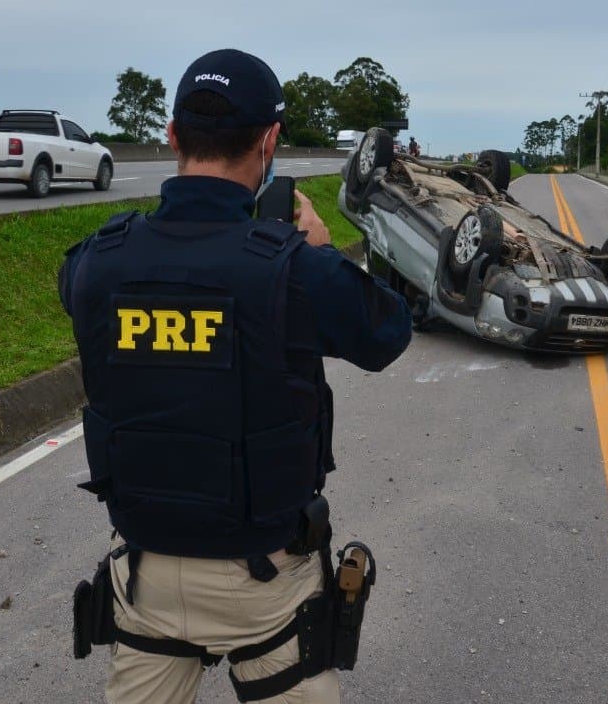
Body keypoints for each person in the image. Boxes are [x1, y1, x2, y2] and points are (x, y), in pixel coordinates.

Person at [59, 48, 412, 703]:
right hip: (264, 584)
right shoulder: (293, 269)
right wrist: (322, 251)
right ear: (270, 141)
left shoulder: (97, 262)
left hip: (144, 574)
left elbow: (77, 289)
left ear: (172, 137)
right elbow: (387, 331)